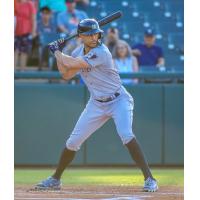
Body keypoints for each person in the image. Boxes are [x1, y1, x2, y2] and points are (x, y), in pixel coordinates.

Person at [35, 18, 158, 192]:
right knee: (73, 141)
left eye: (96, 33)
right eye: (89, 34)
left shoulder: (102, 51)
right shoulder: (78, 51)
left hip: (118, 100)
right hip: (97, 103)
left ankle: (150, 178)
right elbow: (65, 74)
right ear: (81, 37)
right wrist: (59, 53)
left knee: (126, 134)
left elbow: (73, 63)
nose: (94, 37)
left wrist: (57, 52)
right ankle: (55, 179)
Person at [14, 0, 37, 70]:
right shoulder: (15, 2)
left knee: (24, 51)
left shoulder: (30, 4)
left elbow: (33, 19)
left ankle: (22, 70)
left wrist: (33, 31)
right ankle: (13, 70)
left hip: (26, 30)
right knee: (15, 51)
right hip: (15, 30)